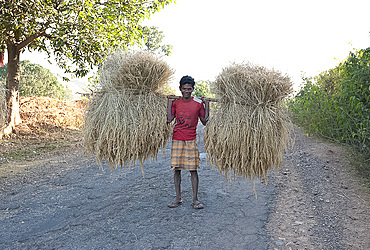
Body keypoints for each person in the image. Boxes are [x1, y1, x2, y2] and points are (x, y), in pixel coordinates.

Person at [166, 75, 210, 209]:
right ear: (180, 89)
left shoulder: (198, 103)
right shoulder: (176, 103)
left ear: (193, 89)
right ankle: (178, 198)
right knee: (177, 169)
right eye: (184, 89)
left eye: (189, 89)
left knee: (193, 170)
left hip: (191, 139)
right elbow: (169, 119)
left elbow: (204, 121)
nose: (187, 91)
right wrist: (169, 102)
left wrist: (207, 104)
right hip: (178, 138)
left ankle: (195, 200)